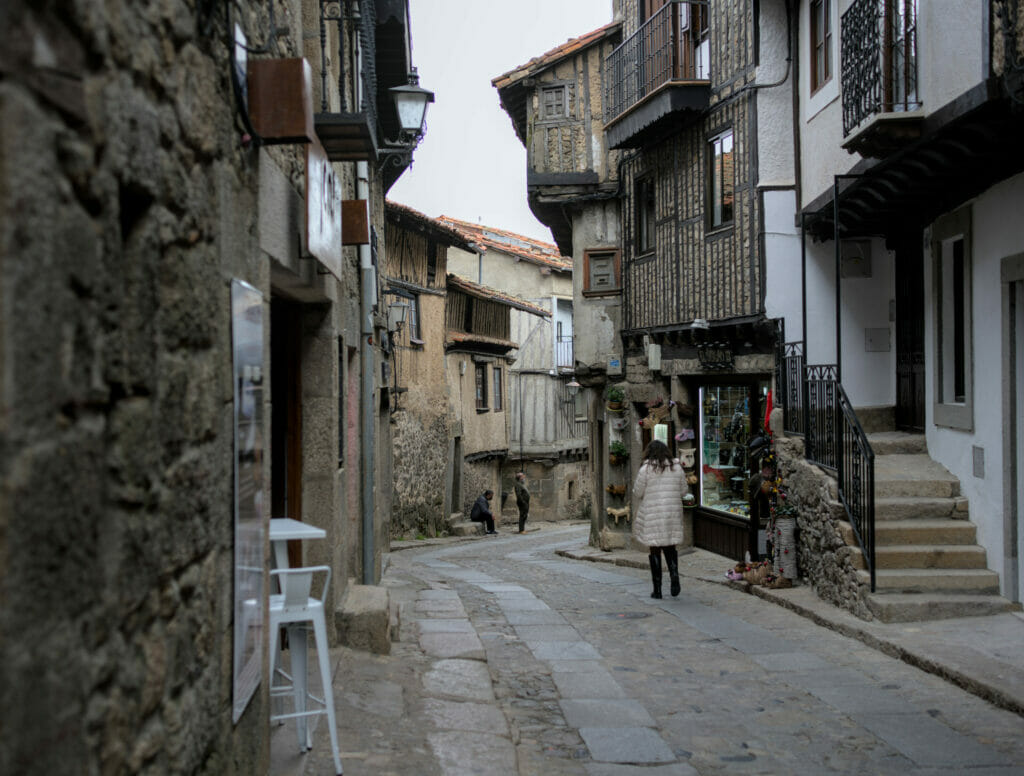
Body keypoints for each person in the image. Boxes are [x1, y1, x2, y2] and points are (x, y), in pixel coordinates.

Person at [632, 440, 687, 599]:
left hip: (653, 513)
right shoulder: (677, 468)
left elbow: (637, 492)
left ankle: (657, 590)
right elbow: (684, 490)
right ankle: (675, 576)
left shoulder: (646, 469)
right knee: (670, 547)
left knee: (655, 549)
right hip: (672, 512)